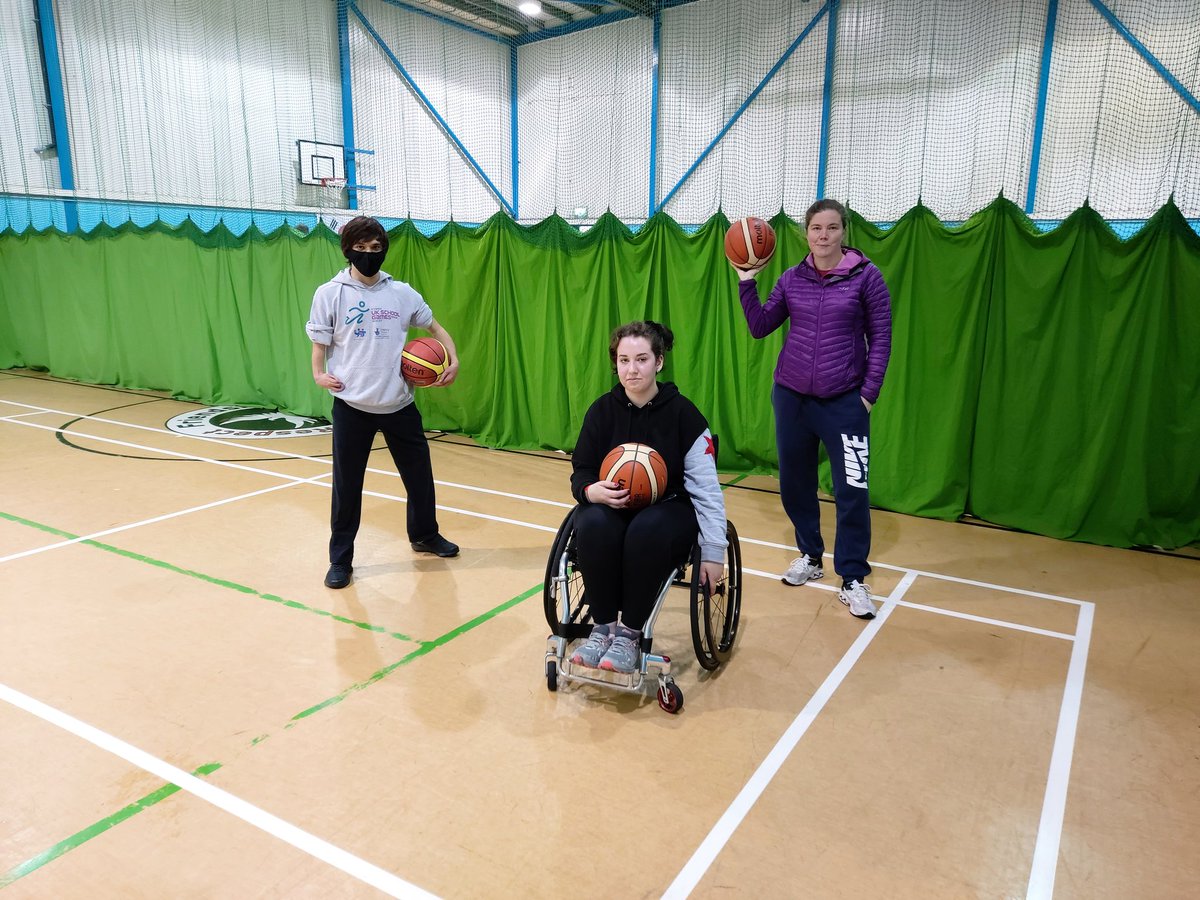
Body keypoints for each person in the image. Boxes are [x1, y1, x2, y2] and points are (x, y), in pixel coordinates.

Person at [734, 199, 892, 619]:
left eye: (832, 228)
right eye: (816, 229)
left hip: (845, 402)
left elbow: (882, 338)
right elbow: (760, 326)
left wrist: (868, 394)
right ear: (806, 233)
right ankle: (810, 556)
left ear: (844, 232)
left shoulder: (867, 278)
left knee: (852, 490)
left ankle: (854, 577)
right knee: (795, 484)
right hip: (792, 399)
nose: (824, 236)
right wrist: (746, 282)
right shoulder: (791, 278)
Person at [305, 215, 461, 590]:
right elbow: (319, 343)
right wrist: (317, 373)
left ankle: (424, 534)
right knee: (347, 486)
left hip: (398, 404)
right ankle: (340, 559)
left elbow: (435, 329)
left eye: (376, 248)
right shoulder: (330, 293)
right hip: (352, 405)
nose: (369, 254)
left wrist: (453, 360)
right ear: (348, 251)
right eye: (361, 248)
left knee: (419, 477)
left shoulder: (402, 293)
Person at [568, 321, 727, 673]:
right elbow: (581, 470)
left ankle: (629, 635)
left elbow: (706, 488)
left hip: (669, 508)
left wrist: (714, 552)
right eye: (624, 360)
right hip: (614, 506)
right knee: (591, 520)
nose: (631, 369)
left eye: (641, 359)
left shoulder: (684, 415)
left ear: (659, 361)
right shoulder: (601, 410)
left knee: (646, 530)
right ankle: (603, 627)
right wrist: (590, 489)